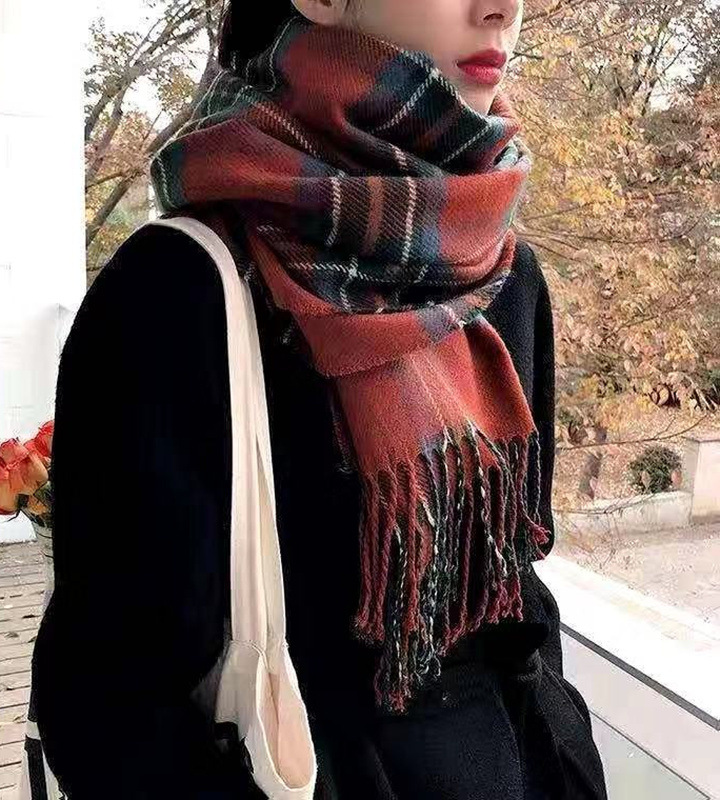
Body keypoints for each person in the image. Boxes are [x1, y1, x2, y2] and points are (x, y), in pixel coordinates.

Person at [32, 1, 609, 797]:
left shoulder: (506, 273)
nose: (501, 8)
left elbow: (520, 596)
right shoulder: (177, 291)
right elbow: (106, 701)